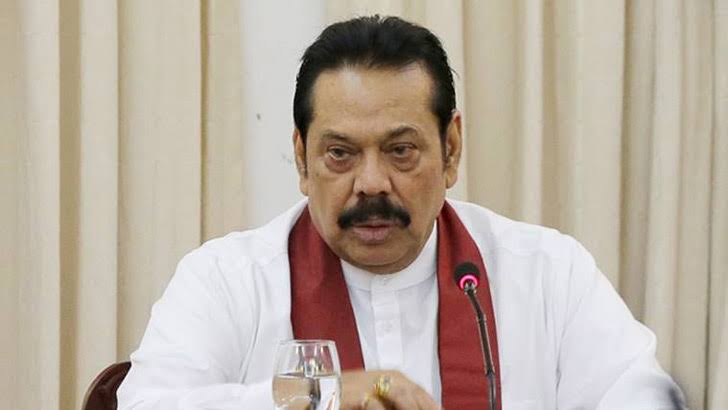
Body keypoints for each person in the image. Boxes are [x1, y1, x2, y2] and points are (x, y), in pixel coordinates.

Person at [117, 15, 684, 409]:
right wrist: (319, 396)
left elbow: (643, 395)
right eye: (340, 154)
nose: (371, 184)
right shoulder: (228, 280)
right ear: (302, 157)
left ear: (451, 149)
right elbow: (146, 405)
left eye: (400, 150)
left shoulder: (546, 272)